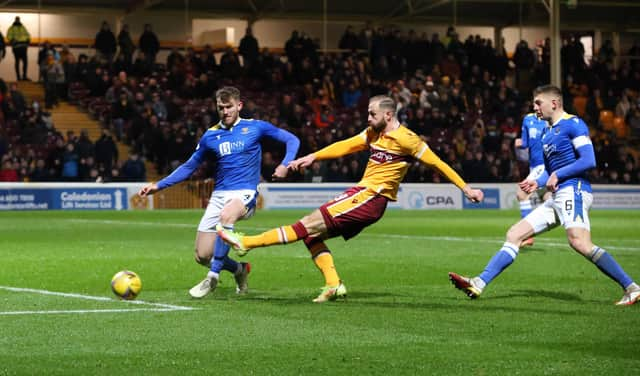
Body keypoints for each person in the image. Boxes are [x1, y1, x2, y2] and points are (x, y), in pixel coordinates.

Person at [217, 95, 484, 303]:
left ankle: (246, 243)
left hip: (371, 197)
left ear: (388, 115)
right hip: (364, 197)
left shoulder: (408, 140)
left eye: (372, 114)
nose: (368, 117)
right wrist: (313, 157)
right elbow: (345, 145)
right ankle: (333, 284)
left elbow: (439, 164)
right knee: (312, 236)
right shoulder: (373, 134)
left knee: (307, 224)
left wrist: (466, 188)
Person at [449, 85, 640, 306]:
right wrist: (536, 182)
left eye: (538, 103)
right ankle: (479, 283)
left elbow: (589, 160)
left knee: (579, 242)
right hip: (558, 195)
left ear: (554, 103)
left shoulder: (573, 124)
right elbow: (549, 171)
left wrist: (559, 174)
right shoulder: (547, 133)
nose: (534, 107)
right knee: (514, 234)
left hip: (574, 189)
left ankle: (632, 287)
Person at [138, 86, 300, 299]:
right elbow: (189, 166)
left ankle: (212, 277)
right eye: (221, 107)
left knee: (226, 217)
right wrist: (159, 185)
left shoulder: (256, 127)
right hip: (219, 195)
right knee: (202, 255)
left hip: (245, 193)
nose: (225, 111)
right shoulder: (210, 136)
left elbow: (292, 140)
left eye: (229, 107)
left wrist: (286, 164)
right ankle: (239, 270)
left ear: (239, 105)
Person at [514, 112, 549, 247]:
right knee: (547, 199)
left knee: (522, 193)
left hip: (543, 164)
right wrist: (520, 143)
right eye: (535, 103)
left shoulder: (551, 120)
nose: (536, 107)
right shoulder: (528, 119)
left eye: (539, 103)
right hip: (533, 166)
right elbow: (526, 142)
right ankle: (575, 223)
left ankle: (526, 234)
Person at [7, 16, 30, 81]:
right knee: (17, 62)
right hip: (16, 47)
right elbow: (9, 36)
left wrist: (28, 40)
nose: (18, 20)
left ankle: (24, 76)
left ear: (19, 20)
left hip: (23, 47)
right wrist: (12, 40)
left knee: (25, 62)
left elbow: (27, 34)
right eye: (17, 19)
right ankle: (18, 77)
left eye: (18, 19)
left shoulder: (23, 27)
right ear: (15, 20)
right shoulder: (11, 28)